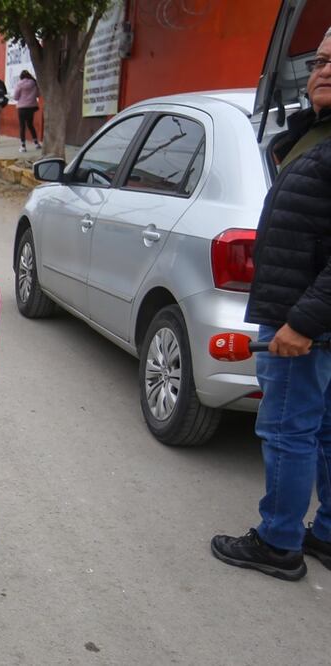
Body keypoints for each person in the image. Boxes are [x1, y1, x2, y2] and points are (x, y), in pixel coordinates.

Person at [210, 27, 331, 581]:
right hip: (307, 315)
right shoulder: (315, 134)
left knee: (287, 430)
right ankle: (326, 533)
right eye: (319, 61)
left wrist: (302, 322)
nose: (321, 71)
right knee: (322, 430)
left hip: (306, 321)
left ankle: (279, 541)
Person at [12, 70, 42, 153]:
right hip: (31, 107)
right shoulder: (34, 83)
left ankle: (23, 146)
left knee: (22, 126)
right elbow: (38, 94)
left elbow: (16, 97)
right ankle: (36, 143)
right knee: (30, 125)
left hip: (22, 107)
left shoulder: (20, 84)